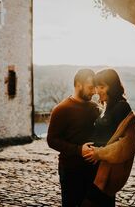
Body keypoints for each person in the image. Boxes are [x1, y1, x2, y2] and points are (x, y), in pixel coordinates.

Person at [81, 68, 135, 207]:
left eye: (102, 86)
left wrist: (99, 153)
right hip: (99, 165)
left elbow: (129, 143)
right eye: (96, 86)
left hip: (107, 169)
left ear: (112, 87)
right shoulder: (109, 106)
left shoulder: (121, 107)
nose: (97, 91)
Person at [47, 69, 101, 207]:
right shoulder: (61, 109)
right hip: (71, 171)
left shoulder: (95, 108)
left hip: (94, 171)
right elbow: (52, 140)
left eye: (95, 88)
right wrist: (78, 150)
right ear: (78, 84)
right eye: (90, 87)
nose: (94, 92)